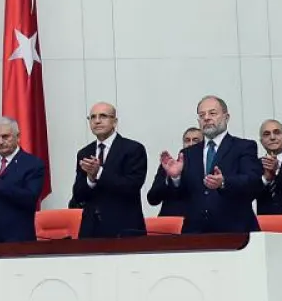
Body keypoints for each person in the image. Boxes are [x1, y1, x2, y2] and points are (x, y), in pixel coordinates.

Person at [156, 95, 262, 234]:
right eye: (202, 115)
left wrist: (224, 182)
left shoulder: (244, 146)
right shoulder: (188, 153)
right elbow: (181, 196)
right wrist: (176, 178)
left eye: (212, 113)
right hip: (195, 233)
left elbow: (252, 181)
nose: (206, 118)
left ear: (226, 117)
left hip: (235, 230)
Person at [69, 102, 147, 239]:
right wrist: (90, 179)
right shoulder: (84, 153)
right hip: (91, 230)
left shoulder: (133, 149)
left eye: (103, 116)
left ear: (114, 121)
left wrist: (99, 173)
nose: (97, 121)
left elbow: (132, 186)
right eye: (92, 117)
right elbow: (78, 195)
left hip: (124, 229)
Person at [146, 127, 203, 218]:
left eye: (196, 140)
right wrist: (170, 179)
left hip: (197, 224)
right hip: (169, 222)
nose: (191, 144)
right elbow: (152, 199)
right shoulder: (168, 166)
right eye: (187, 140)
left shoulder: (207, 166)